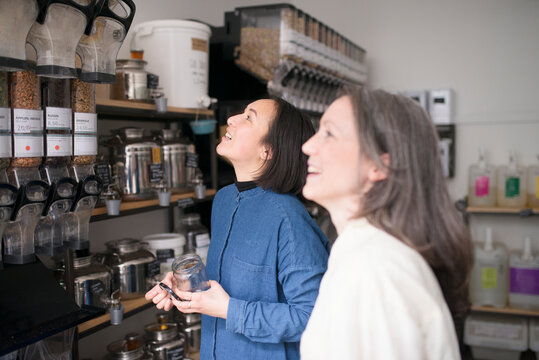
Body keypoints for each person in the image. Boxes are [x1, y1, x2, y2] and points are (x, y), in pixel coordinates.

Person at [146, 97, 330, 360]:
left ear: (268, 150)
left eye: (249, 117)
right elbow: (234, 283)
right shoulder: (223, 200)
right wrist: (186, 284)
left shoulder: (289, 218)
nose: (231, 119)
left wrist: (229, 310)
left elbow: (312, 316)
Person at [300, 87, 473, 359]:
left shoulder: (374, 270)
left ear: (379, 166)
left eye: (329, 133)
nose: (308, 145)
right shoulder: (362, 254)